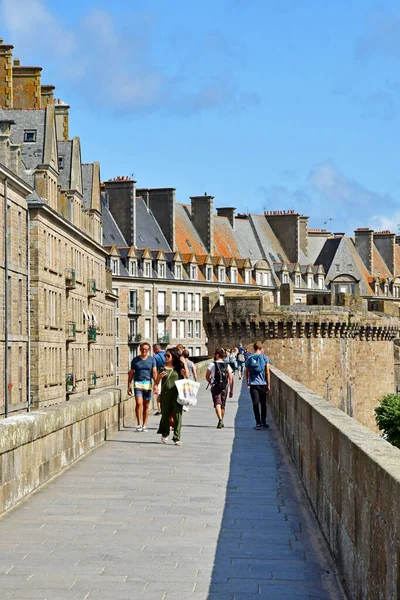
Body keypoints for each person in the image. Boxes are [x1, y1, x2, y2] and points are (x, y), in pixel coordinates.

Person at [155, 348, 189, 445]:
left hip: (178, 395)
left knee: (178, 415)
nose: (166, 357)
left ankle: (176, 437)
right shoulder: (162, 368)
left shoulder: (178, 368)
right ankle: (165, 433)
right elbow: (157, 382)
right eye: (165, 355)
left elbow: (187, 375)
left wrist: (185, 363)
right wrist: (159, 377)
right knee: (165, 415)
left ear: (173, 357)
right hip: (166, 395)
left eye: (168, 355)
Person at [128, 342, 158, 432]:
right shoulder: (135, 360)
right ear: (140, 349)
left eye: (146, 349)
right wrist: (128, 385)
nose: (144, 350)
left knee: (146, 405)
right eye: (143, 349)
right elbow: (131, 373)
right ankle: (139, 424)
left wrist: (156, 385)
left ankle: (144, 425)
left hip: (148, 384)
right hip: (138, 383)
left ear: (148, 350)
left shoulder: (152, 360)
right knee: (139, 403)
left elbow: (154, 373)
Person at [245, 341, 271, 430]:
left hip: (253, 385)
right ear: (260, 349)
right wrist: (268, 384)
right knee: (263, 404)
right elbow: (267, 372)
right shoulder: (265, 358)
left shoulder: (249, 358)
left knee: (255, 404)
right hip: (262, 384)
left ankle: (258, 423)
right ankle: (263, 422)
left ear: (254, 348)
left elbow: (247, 371)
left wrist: (247, 381)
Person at [206, 348, 234, 429]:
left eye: (215, 354)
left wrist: (211, 383)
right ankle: (221, 420)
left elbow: (207, 376)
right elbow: (231, 378)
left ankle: (220, 419)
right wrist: (231, 390)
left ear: (217, 355)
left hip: (215, 386)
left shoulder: (212, 364)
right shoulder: (227, 365)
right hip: (225, 387)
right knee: (223, 405)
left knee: (217, 403)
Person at [153, 344, 166, 415]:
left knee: (159, 393)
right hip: (168, 376)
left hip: (160, 376)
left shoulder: (155, 356)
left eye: (153, 349)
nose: (153, 351)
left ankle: (159, 409)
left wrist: (155, 382)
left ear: (156, 349)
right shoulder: (167, 354)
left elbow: (154, 370)